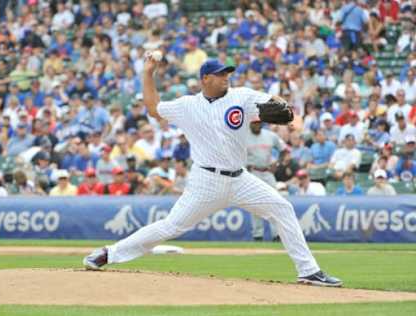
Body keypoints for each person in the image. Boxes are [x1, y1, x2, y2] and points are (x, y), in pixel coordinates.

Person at [83, 57, 342, 287]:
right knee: (171, 226)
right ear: (205, 78)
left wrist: (282, 104)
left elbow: (274, 102)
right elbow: (153, 108)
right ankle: (109, 253)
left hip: (241, 179)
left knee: (282, 209)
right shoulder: (187, 106)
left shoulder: (241, 96)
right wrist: (148, 73)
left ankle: (309, 271)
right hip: (206, 181)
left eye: (227, 74)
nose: (226, 78)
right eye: (220, 74)